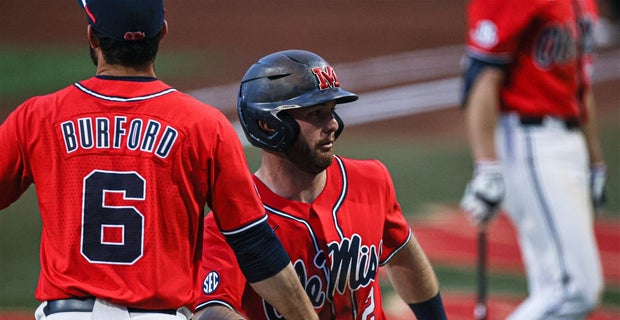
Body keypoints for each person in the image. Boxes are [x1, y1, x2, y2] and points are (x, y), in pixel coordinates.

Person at [0, 1, 318, 319]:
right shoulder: (203, 126)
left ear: (92, 37)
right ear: (162, 33)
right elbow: (254, 244)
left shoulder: (39, 117)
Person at [191, 50, 448, 320]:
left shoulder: (370, 180)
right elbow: (211, 313)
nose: (333, 124)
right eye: (316, 114)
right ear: (269, 125)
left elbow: (403, 255)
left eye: (332, 111)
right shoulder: (233, 223)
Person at [459, 0, 607, 319]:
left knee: (552, 288)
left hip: (569, 140)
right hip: (530, 142)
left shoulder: (585, 4)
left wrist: (595, 164)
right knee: (574, 290)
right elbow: (482, 77)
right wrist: (487, 167)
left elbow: (581, 89)